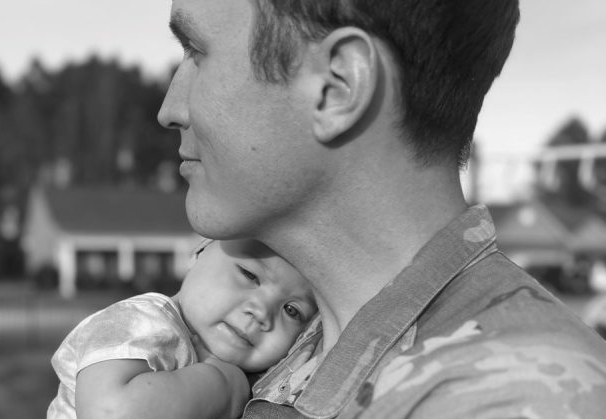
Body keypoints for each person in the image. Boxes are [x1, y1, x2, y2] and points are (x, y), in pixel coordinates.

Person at [157, 0, 606, 418]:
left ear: (338, 87)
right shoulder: (286, 344)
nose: (169, 109)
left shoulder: (516, 397)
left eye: (196, 51)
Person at [47, 239, 318, 419]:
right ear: (198, 252)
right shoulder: (142, 320)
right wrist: (225, 385)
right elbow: (110, 411)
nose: (261, 313)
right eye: (250, 275)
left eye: (291, 310)